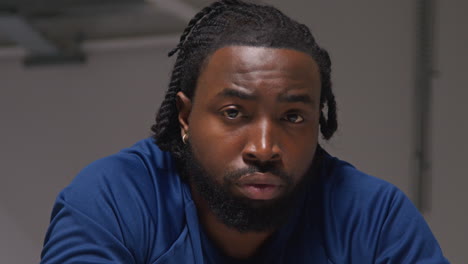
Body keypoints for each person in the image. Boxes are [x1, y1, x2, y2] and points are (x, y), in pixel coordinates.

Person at [40, 0, 449, 263]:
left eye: (292, 117)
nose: (265, 148)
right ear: (185, 117)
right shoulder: (114, 198)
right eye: (234, 112)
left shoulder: (373, 217)